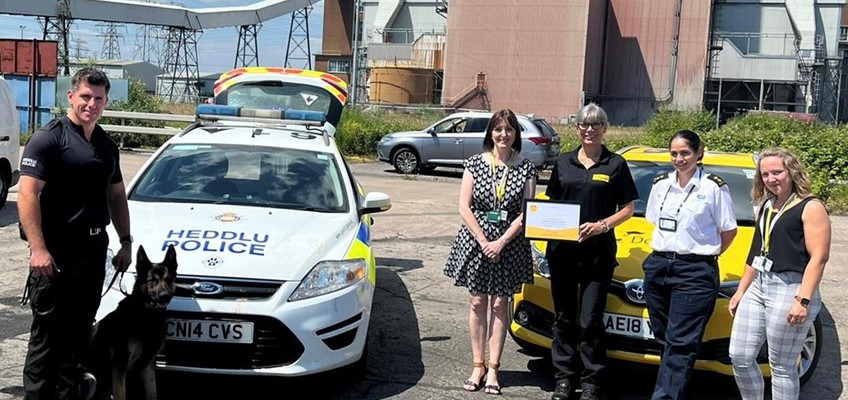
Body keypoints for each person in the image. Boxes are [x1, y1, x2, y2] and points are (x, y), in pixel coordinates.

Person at [18, 67, 133, 400]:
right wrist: (38, 248)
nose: (92, 104)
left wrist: (126, 241)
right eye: (85, 96)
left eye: (99, 99)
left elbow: (116, 195)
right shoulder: (50, 138)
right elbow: (27, 194)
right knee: (47, 339)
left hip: (94, 251)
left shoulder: (106, 145)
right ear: (71, 96)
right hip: (56, 254)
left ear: (106, 101)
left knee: (78, 337)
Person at [546, 103, 639, 400]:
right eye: (584, 125)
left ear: (604, 129)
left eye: (596, 125)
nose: (590, 129)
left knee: (591, 319)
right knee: (563, 317)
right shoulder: (563, 162)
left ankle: (591, 381)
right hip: (562, 253)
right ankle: (563, 378)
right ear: (577, 129)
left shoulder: (616, 164)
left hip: (598, 255)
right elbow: (551, 206)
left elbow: (628, 209)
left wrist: (601, 225)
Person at [444, 109, 537, 396]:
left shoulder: (526, 168)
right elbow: (464, 206)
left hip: (510, 243)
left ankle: (494, 368)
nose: (504, 135)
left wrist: (501, 242)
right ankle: (477, 365)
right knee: (477, 302)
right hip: (476, 240)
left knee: (500, 304)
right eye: (498, 129)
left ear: (515, 135)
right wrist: (484, 240)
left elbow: (527, 211)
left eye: (509, 130)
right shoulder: (474, 164)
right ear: (491, 134)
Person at [642, 130, 738, 400]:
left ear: (699, 153)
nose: (679, 158)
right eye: (674, 153)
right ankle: (672, 388)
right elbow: (653, 221)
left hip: (694, 272)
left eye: (685, 153)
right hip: (659, 266)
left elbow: (728, 231)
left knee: (681, 343)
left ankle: (665, 397)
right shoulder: (660, 184)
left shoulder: (713, 187)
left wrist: (706, 257)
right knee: (664, 339)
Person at [728, 147, 830, 400]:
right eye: (765, 174)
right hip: (759, 286)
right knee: (739, 356)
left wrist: (802, 300)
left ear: (792, 171)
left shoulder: (810, 206)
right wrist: (741, 290)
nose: (771, 179)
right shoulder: (766, 204)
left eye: (777, 172)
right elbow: (755, 252)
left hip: (791, 288)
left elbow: (819, 257)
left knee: (782, 366)